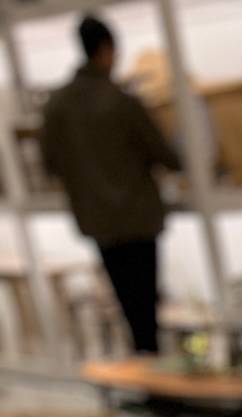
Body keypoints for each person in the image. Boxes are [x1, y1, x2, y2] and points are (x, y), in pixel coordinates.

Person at [41, 14, 180, 356]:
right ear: (107, 49)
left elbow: (49, 162)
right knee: (147, 307)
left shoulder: (57, 105)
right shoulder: (121, 99)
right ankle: (151, 371)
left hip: (98, 220)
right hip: (137, 216)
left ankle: (142, 369)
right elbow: (164, 154)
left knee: (128, 304)